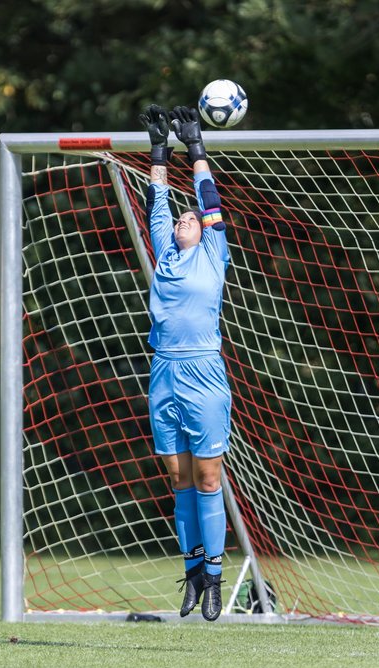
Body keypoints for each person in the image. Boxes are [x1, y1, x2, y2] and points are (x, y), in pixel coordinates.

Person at [138, 103, 232, 621]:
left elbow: (209, 200)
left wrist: (195, 149)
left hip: (203, 372)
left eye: (192, 218)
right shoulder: (166, 253)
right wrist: (159, 150)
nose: (186, 220)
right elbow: (157, 203)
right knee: (178, 479)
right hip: (164, 373)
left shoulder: (213, 252)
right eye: (182, 219)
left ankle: (216, 578)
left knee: (208, 479)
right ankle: (193, 571)